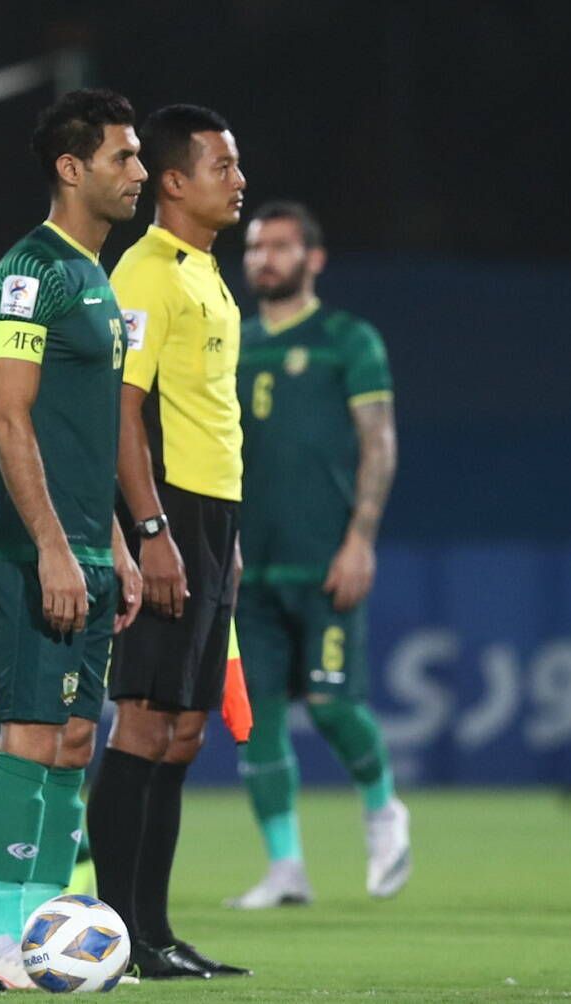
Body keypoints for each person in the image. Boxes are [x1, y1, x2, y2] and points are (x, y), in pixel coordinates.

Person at [0, 88, 147, 988]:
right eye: (123, 156)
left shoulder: (97, 279)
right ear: (71, 169)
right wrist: (49, 545)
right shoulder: (27, 273)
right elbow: (7, 418)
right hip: (30, 554)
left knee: (76, 743)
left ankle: (49, 931)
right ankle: (0, 936)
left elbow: (85, 433)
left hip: (86, 551)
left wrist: (113, 538)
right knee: (31, 738)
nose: (140, 172)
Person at [86, 103, 252, 979]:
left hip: (209, 516)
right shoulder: (145, 274)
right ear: (175, 181)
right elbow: (123, 408)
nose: (238, 180)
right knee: (144, 721)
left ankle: (153, 927)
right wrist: (149, 529)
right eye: (221, 167)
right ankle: (119, 932)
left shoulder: (206, 273)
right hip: (168, 511)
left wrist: (219, 536)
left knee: (184, 728)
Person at [229, 200, 408, 908]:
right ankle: (284, 868)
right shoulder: (233, 342)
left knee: (334, 706)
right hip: (249, 565)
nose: (263, 259)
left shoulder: (346, 338)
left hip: (324, 556)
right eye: (253, 247)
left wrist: (360, 539)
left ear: (313, 258)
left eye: (278, 247)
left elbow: (379, 443)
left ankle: (383, 810)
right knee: (257, 720)